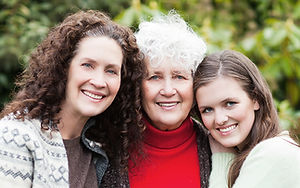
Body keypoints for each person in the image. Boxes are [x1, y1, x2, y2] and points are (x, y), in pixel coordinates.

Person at [0, 10, 144, 188]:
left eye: (111, 71)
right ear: (63, 68)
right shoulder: (15, 136)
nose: (99, 82)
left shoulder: (103, 147)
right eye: (87, 65)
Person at [101, 11, 211, 188]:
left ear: (195, 84)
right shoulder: (104, 148)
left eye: (179, 77)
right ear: (138, 84)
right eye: (154, 77)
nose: (168, 90)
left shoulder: (219, 149)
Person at [193, 49, 300, 188]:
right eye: (207, 110)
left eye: (230, 103)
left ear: (255, 99)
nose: (219, 119)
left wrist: (222, 158)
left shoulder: (275, 153)